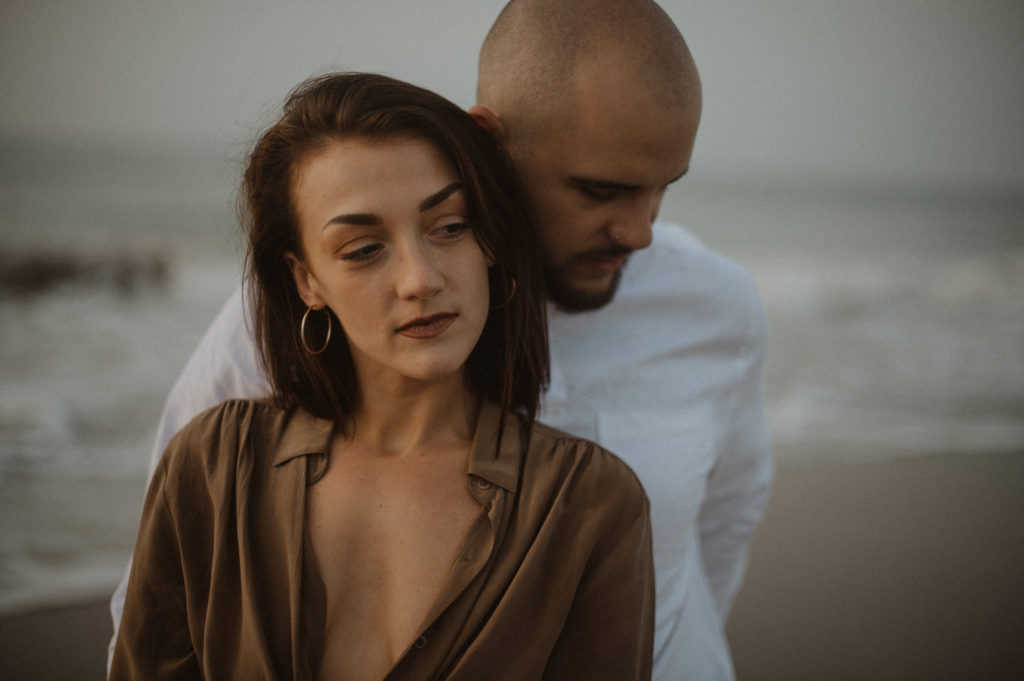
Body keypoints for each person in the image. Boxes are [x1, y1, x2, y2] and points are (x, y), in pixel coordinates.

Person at [111, 1, 773, 678]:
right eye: (599, 190)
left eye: (661, 189)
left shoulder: (716, 305)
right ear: (489, 138)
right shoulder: (286, 334)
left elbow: (723, 528)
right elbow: (177, 580)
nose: (640, 231)